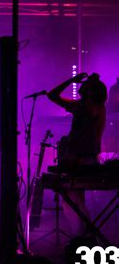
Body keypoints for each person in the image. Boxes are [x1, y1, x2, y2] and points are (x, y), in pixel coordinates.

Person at [47, 72, 107, 237]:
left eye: (85, 86)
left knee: (75, 201)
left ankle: (85, 238)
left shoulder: (92, 107)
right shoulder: (90, 106)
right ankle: (83, 237)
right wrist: (72, 80)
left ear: (90, 91)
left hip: (82, 160)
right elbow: (51, 95)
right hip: (77, 159)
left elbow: (53, 95)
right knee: (72, 200)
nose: (81, 87)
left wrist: (74, 81)